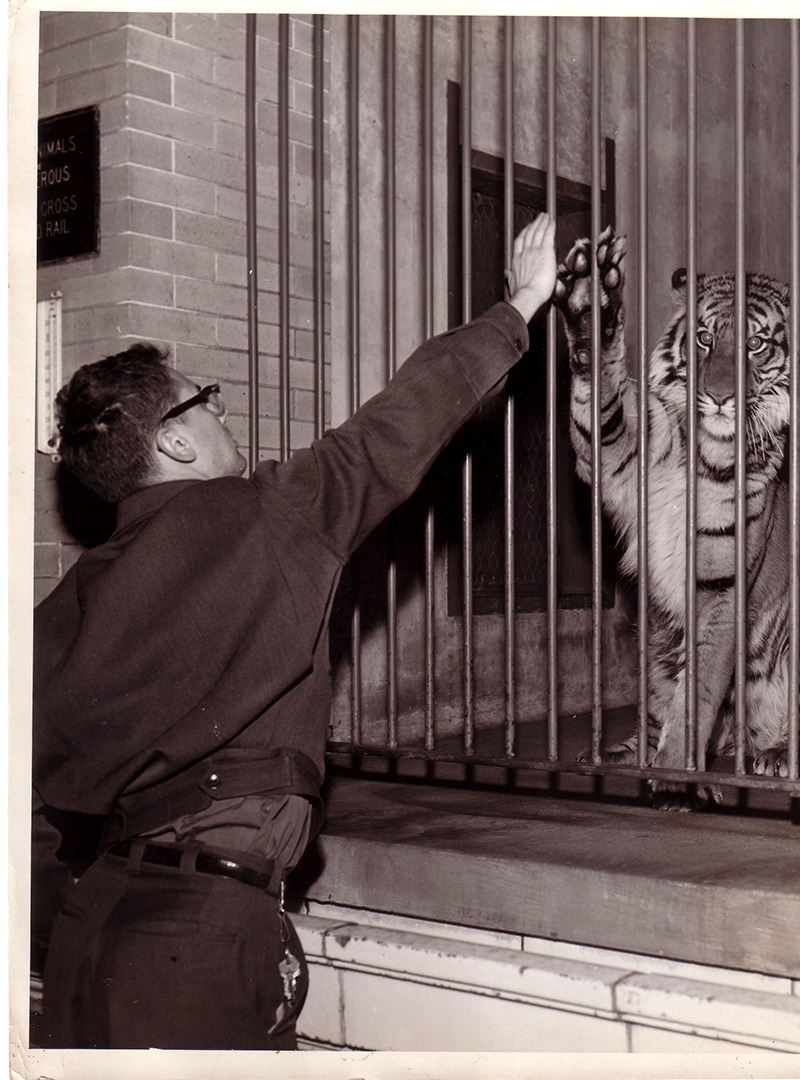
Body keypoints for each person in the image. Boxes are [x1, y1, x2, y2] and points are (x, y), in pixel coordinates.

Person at [31, 213, 558, 1050]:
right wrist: (520, 305)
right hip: (196, 941)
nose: (221, 411)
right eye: (204, 400)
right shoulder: (264, 516)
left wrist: (49, 910)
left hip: (88, 930)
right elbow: (396, 426)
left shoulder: (70, 600)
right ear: (174, 440)